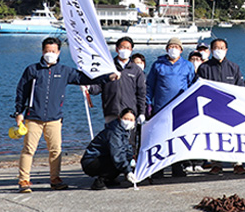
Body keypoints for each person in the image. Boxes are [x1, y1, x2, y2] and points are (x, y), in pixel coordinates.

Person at [13, 37, 111, 193]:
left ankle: (55, 179)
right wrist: (19, 112)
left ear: (58, 52)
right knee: (28, 149)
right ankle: (24, 180)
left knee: (55, 150)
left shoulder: (65, 71)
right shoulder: (32, 70)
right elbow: (21, 92)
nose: (49, 54)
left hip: (54, 119)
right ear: (42, 51)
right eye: (47, 51)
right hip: (33, 117)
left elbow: (83, 78)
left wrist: (106, 76)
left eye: (53, 51)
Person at [146, 37, 195, 178]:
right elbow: (150, 85)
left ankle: (177, 167)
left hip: (180, 109)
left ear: (181, 50)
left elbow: (192, 85)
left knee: (178, 138)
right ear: (167, 49)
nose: (173, 49)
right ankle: (157, 169)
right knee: (159, 137)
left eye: (176, 47)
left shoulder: (188, 65)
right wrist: (149, 103)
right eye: (171, 46)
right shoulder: (157, 65)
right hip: (160, 108)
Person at [195, 38, 245, 173]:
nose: (219, 51)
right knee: (214, 137)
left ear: (226, 50)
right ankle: (217, 164)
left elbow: (241, 89)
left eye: (222, 48)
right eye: (216, 48)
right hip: (212, 108)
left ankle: (237, 163)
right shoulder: (204, 68)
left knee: (234, 136)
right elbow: (198, 88)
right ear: (211, 50)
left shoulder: (234, 67)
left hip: (230, 108)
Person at [88, 36, 146, 125]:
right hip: (111, 111)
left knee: (128, 138)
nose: (125, 50)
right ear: (117, 49)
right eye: (122, 47)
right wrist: (88, 87)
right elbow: (98, 87)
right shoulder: (108, 67)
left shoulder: (136, 70)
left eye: (128, 48)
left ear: (131, 50)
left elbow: (141, 94)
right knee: (111, 137)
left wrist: (142, 112)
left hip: (130, 114)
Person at [82, 108, 137, 190]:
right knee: (117, 160)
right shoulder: (113, 132)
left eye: (131, 120)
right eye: (125, 119)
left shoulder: (124, 131)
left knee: (124, 160)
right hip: (91, 161)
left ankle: (109, 179)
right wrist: (127, 171)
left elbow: (126, 149)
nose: (128, 122)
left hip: (103, 158)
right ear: (119, 118)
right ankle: (100, 181)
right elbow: (117, 153)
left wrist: (132, 160)